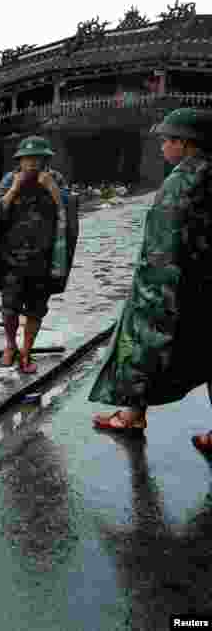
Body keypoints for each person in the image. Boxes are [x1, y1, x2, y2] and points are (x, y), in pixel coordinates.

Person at [91, 108, 212, 454]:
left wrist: (148, 298)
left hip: (177, 286)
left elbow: (163, 249)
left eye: (166, 140)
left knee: (140, 347)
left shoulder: (182, 182)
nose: (161, 147)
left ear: (185, 143)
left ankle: (131, 416)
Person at [0, 136, 72, 374]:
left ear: (46, 160)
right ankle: (10, 345)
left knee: (36, 308)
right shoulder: (9, 179)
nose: (33, 163)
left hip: (43, 259)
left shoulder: (56, 179)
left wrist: (53, 190)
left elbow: (69, 212)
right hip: (12, 258)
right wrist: (14, 189)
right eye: (28, 159)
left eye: (38, 159)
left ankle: (26, 351)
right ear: (20, 160)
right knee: (9, 308)